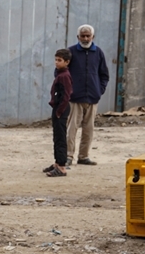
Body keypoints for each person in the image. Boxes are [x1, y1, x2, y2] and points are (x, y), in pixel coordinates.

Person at [65, 24, 109, 166]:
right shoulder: (70, 52)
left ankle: (83, 156)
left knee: (88, 130)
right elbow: (61, 72)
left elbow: (104, 75)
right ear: (78, 37)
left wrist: (99, 90)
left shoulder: (98, 53)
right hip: (75, 99)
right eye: (82, 36)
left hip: (92, 98)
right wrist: (68, 90)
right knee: (71, 129)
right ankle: (68, 156)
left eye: (87, 36)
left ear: (92, 37)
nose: (85, 38)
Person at [44, 48, 73, 177]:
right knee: (56, 136)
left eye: (59, 60)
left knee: (61, 137)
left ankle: (61, 167)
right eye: (56, 60)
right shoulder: (60, 74)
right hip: (57, 108)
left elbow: (66, 96)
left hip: (61, 109)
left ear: (67, 62)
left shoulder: (65, 76)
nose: (56, 62)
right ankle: (57, 162)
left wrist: (60, 111)